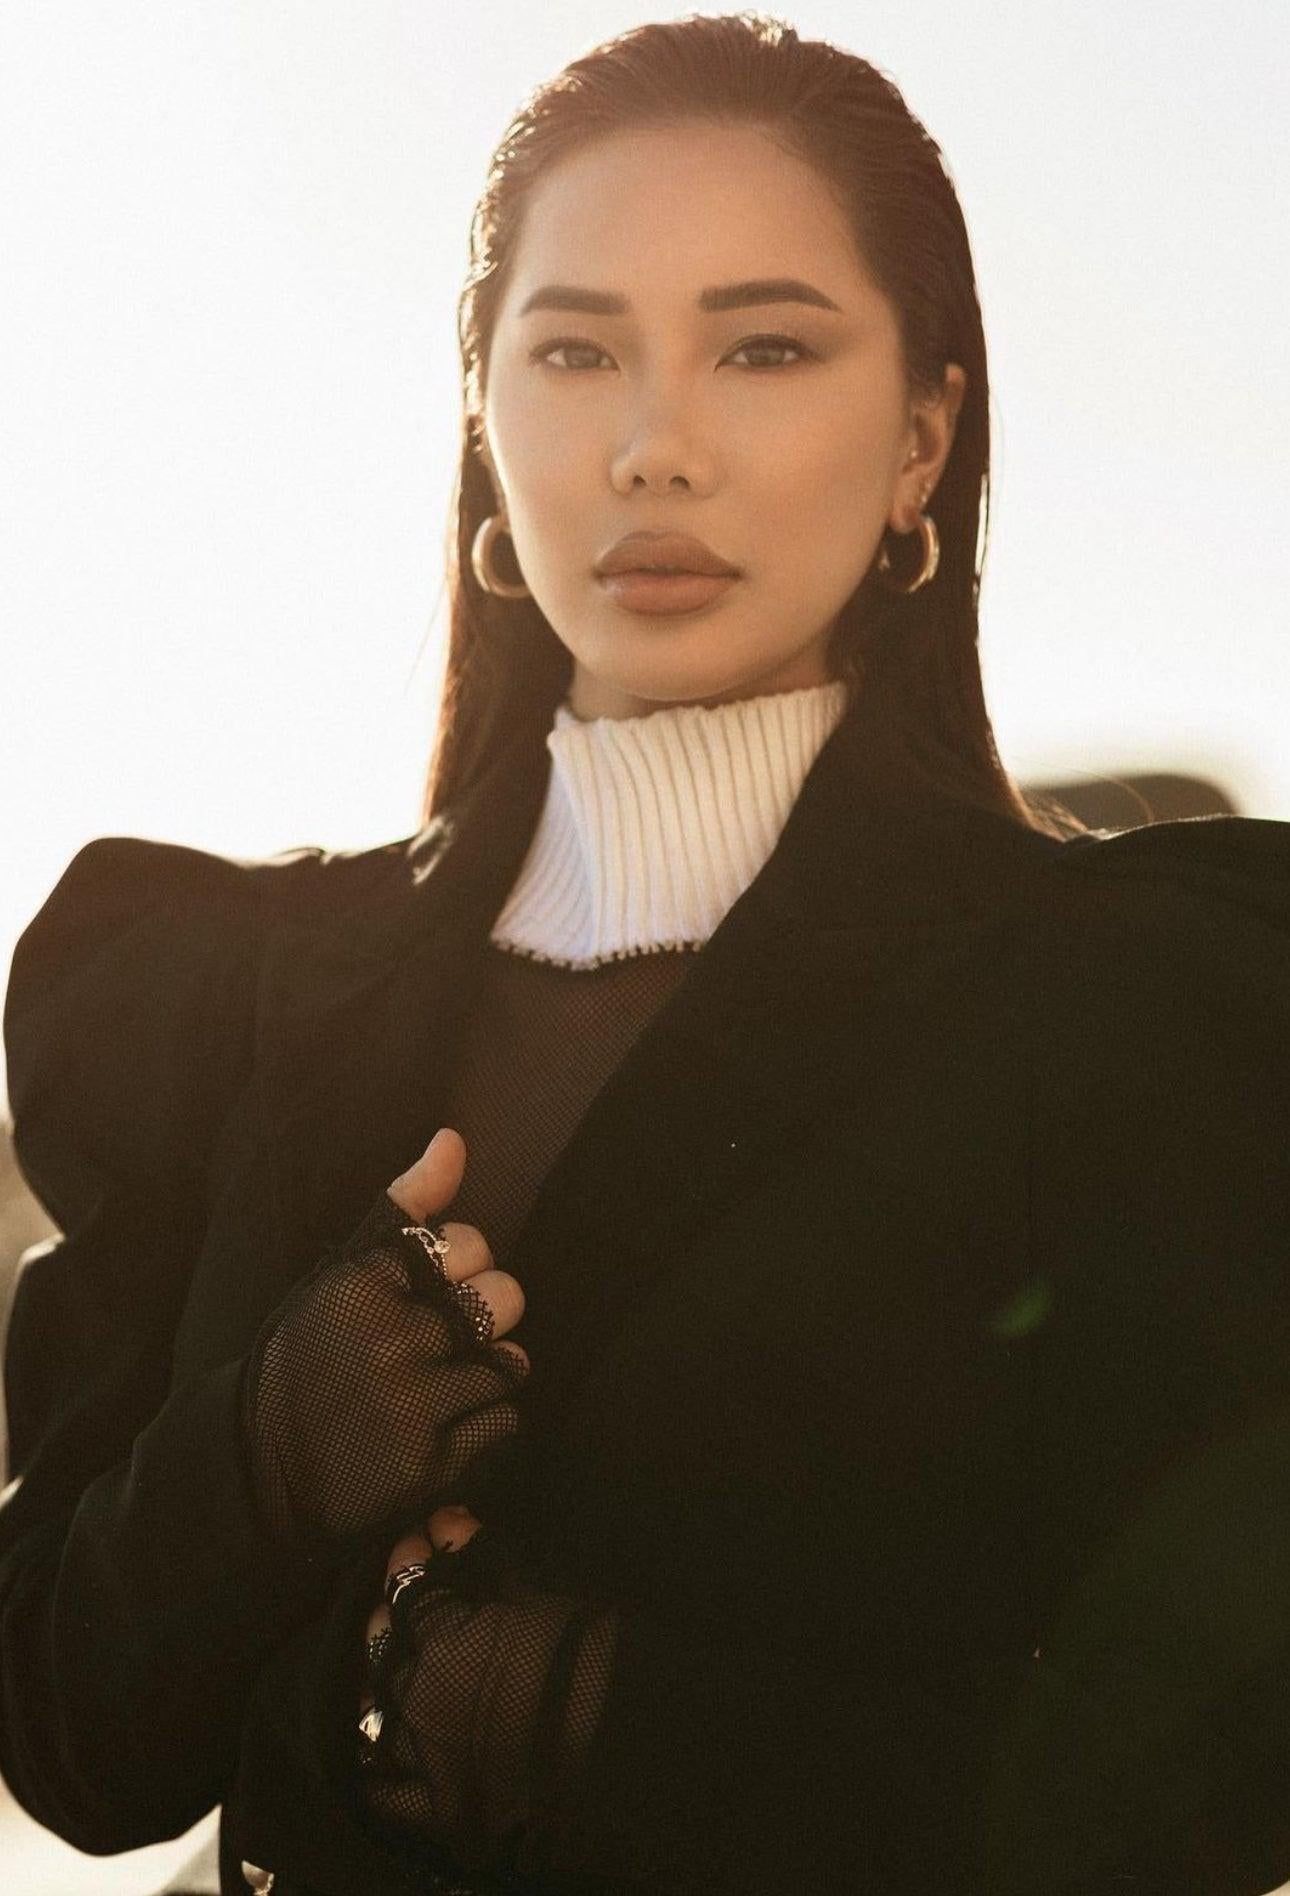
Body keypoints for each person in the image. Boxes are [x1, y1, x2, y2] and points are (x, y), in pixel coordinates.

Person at [3, 14, 1290, 1895]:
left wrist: (584, 1716)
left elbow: (1213, 1794)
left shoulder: (1138, 1006)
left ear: (922, 435)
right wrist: (266, 1448)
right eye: (575, 349)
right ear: (482, 416)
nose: (652, 446)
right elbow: (69, 1749)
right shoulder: (224, 984)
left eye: (763, 348)